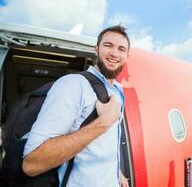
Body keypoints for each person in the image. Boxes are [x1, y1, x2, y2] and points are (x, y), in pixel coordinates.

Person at [22, 25, 130, 187]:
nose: (114, 53)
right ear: (96, 49)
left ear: (127, 55)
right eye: (108, 45)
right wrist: (102, 124)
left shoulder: (118, 91)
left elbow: (106, 144)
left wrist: (117, 174)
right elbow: (32, 163)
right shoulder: (73, 85)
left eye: (121, 49)